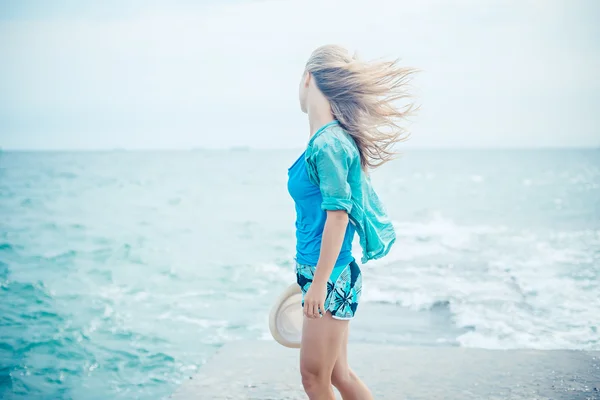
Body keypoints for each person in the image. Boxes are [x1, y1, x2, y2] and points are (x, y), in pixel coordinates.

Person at [288, 44, 416, 399]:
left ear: (308, 78)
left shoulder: (328, 144)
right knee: (338, 374)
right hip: (327, 271)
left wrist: (319, 284)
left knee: (314, 378)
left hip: (328, 275)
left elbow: (338, 217)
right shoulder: (326, 140)